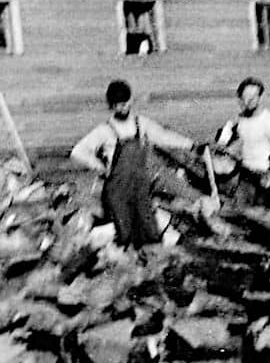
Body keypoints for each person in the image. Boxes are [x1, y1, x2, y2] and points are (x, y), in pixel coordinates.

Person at [70, 80, 213, 248]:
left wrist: (192, 145)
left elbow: (163, 136)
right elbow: (78, 152)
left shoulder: (141, 124)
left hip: (139, 188)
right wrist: (100, 166)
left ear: (130, 101)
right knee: (125, 234)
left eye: (124, 103)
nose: (121, 108)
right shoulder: (104, 130)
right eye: (117, 105)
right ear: (111, 106)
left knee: (150, 232)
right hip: (117, 192)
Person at [214, 77, 270, 207]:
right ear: (240, 98)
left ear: (260, 97)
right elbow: (222, 142)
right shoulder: (238, 121)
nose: (250, 99)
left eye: (254, 95)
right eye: (246, 96)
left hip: (264, 174)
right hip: (243, 173)